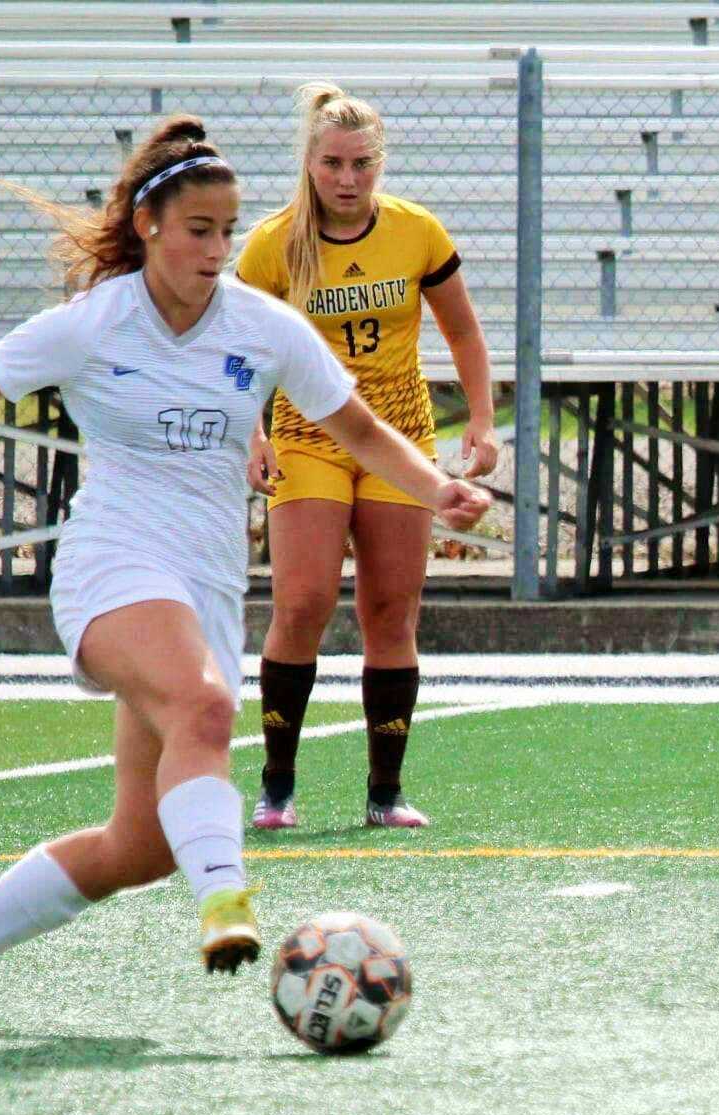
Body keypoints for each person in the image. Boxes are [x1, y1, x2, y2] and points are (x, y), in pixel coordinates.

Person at [0, 116, 489, 1030]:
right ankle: (225, 901)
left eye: (228, 232)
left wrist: (436, 488)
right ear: (149, 226)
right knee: (206, 707)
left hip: (205, 583)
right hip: (111, 563)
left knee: (138, 846)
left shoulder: (265, 328)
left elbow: (360, 431)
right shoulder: (96, 323)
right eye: (198, 231)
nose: (217, 251)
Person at [235, 82, 498, 833]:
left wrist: (482, 421)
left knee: (390, 610)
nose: (347, 179)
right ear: (309, 163)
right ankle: (277, 785)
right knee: (303, 602)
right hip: (309, 436)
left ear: (380, 164)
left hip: (400, 439)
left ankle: (386, 791)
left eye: (362, 164)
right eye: (332, 164)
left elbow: (464, 333)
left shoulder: (417, 231)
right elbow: (239, 352)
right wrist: (252, 435)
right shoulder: (273, 244)